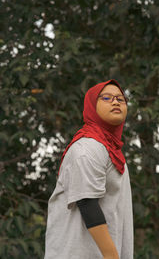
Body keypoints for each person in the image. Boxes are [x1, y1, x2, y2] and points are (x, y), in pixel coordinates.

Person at [44, 79, 134, 259]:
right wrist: (112, 256)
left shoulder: (111, 149)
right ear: (92, 106)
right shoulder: (87, 148)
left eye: (120, 99)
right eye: (106, 98)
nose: (115, 102)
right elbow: (87, 203)